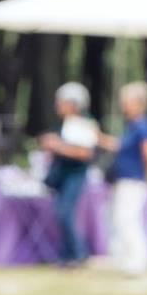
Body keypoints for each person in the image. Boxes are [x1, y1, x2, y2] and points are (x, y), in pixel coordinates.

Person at [102, 81, 147, 275]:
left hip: (134, 180)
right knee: (120, 219)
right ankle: (126, 259)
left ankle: (138, 260)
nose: (123, 105)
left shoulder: (142, 125)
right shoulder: (132, 125)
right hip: (124, 179)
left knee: (128, 219)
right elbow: (120, 147)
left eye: (126, 101)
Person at [38, 83, 99, 267]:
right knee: (61, 214)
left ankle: (78, 253)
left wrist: (58, 146)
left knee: (65, 213)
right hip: (62, 175)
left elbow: (85, 153)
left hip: (75, 175)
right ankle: (66, 256)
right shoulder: (64, 124)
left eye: (62, 102)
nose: (58, 105)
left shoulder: (84, 123)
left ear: (74, 104)